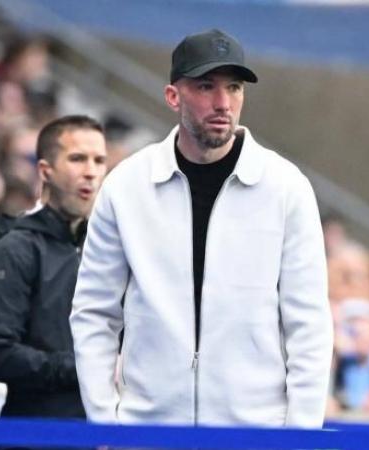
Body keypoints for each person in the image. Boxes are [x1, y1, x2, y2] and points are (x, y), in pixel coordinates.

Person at [70, 29, 333, 428]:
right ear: (173, 95)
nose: (223, 103)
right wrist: (105, 424)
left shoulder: (285, 187)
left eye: (234, 87)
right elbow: (94, 315)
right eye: (206, 86)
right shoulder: (126, 187)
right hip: (148, 430)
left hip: (254, 432)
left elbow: (309, 324)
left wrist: (298, 435)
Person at [0, 115, 106, 447]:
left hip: (104, 432)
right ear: (46, 170)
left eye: (99, 160)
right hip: (35, 435)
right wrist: (84, 369)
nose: (91, 171)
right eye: (77, 158)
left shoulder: (106, 247)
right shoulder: (14, 249)